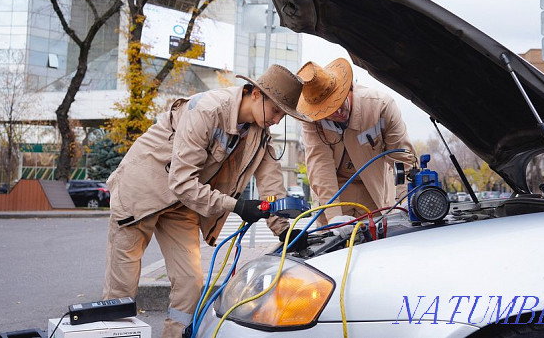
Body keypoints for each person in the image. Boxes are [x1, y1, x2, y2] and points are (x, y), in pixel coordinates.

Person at [102, 64, 310, 338]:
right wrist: (235, 206)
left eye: (283, 115)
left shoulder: (259, 134)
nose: (277, 120)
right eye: (276, 111)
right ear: (256, 94)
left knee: (190, 281)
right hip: (141, 192)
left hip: (183, 204)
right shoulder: (206, 110)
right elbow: (182, 181)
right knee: (122, 287)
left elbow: (270, 184)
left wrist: (285, 230)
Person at [297, 58, 417, 226]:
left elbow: (402, 157)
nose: (337, 112)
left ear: (349, 88)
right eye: (329, 110)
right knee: (331, 243)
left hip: (373, 189)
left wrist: (405, 200)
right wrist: (333, 216)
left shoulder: (381, 106)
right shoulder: (312, 121)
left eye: (338, 102)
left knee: (377, 241)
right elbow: (320, 166)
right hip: (334, 193)